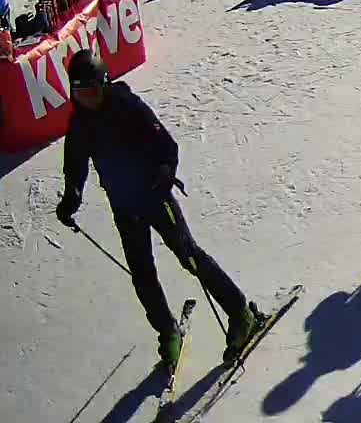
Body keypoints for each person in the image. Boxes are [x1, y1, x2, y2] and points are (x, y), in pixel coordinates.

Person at [57, 50, 266, 367]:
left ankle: (240, 313)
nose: (87, 99)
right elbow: (75, 164)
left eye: (92, 91)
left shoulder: (128, 107)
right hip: (125, 208)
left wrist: (165, 171)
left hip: (154, 198)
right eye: (80, 92)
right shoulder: (80, 124)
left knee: (190, 257)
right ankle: (168, 332)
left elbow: (166, 146)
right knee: (142, 276)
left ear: (104, 83)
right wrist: (72, 194)